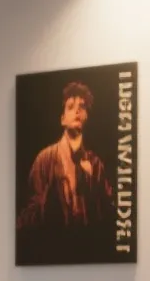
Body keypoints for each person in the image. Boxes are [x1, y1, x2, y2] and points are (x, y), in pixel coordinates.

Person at [17, 81, 112, 235]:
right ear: (62, 119)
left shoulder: (96, 165)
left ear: (86, 116)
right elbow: (27, 215)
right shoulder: (44, 159)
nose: (77, 111)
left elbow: (107, 214)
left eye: (82, 107)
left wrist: (91, 183)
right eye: (70, 107)